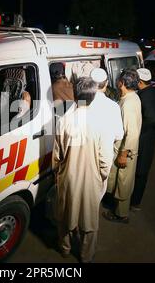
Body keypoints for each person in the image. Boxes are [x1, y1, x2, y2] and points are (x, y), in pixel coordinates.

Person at [52, 77, 112, 263]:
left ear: (76, 95)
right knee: (89, 221)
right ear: (93, 96)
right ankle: (86, 256)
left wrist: (58, 174)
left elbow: (57, 155)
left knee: (65, 216)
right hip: (91, 179)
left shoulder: (64, 120)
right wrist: (102, 176)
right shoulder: (102, 122)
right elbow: (105, 159)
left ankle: (65, 248)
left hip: (68, 177)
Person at [103, 69, 142, 223]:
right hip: (121, 148)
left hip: (124, 150)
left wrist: (123, 154)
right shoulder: (130, 97)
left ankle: (121, 215)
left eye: (119, 79)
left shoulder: (128, 104)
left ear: (122, 83)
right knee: (119, 182)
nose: (117, 82)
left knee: (122, 184)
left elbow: (131, 133)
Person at [130, 68, 155, 211]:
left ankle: (135, 202)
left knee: (141, 171)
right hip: (150, 136)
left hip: (145, 138)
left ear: (140, 82)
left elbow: (152, 118)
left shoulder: (145, 96)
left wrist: (139, 130)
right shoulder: (153, 92)